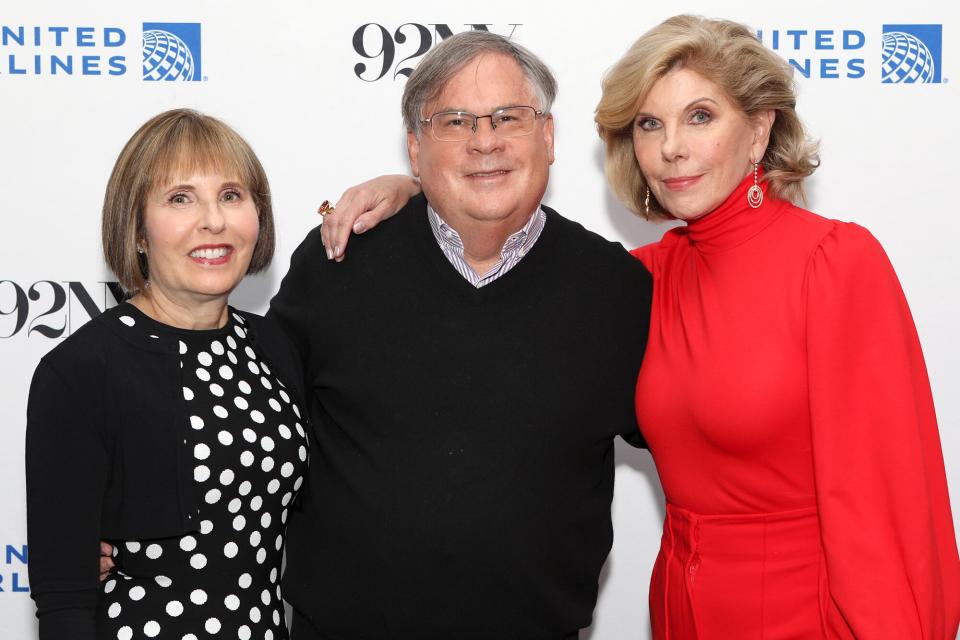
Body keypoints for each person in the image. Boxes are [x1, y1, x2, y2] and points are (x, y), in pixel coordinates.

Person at [325, 16, 960, 639]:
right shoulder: (640, 280)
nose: (672, 147)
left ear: (760, 130)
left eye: (701, 117)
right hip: (684, 605)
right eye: (650, 124)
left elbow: (890, 506)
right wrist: (418, 187)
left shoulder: (833, 262)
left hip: (808, 611)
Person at [268, 31, 651, 639]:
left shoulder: (615, 288)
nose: (485, 141)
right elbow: (249, 421)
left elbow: (701, 439)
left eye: (509, 117)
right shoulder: (336, 263)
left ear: (548, 138)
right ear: (415, 151)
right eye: (455, 122)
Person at [25, 109, 310, 640]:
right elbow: (64, 598)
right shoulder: (82, 370)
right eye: (181, 198)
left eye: (231, 195)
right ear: (136, 229)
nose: (214, 221)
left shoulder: (274, 347)